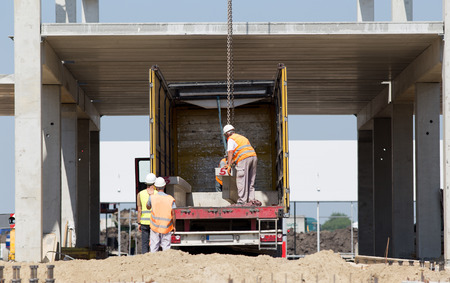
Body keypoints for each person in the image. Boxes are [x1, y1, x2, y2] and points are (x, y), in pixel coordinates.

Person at [223, 124, 262, 206]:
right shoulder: (242, 137)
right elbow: (241, 150)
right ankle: (251, 200)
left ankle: (241, 201)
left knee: (241, 180)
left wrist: (229, 165)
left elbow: (230, 152)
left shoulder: (231, 139)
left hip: (244, 159)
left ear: (227, 134)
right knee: (250, 180)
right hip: (253, 157)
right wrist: (234, 161)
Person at [146, 177, 177, 252]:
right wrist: (174, 226)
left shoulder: (152, 197)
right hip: (166, 226)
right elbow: (173, 214)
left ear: (155, 187)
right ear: (165, 186)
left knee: (154, 247)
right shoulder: (170, 199)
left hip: (155, 226)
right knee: (166, 247)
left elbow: (148, 207)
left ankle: (154, 262)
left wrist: (150, 195)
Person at [136, 173, 157, 253]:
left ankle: (145, 257)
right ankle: (153, 255)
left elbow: (139, 210)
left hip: (144, 222)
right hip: (154, 221)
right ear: (154, 183)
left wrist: (139, 223)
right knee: (154, 242)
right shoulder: (157, 194)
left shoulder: (140, 194)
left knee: (144, 243)